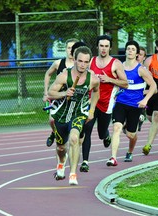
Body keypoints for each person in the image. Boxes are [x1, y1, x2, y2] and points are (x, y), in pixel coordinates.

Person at [48, 46, 100, 185]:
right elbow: (50, 93)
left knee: (74, 139)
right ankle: (61, 162)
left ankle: (72, 174)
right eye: (80, 61)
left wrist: (91, 110)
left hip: (79, 113)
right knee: (61, 147)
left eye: (86, 61)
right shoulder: (64, 76)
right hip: (61, 114)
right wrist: (64, 93)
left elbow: (96, 92)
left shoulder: (93, 79)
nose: (83, 64)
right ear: (75, 60)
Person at [80, 35, 128, 172]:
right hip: (91, 102)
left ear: (110, 47)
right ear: (97, 46)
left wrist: (109, 79)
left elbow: (125, 84)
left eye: (106, 46)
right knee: (87, 129)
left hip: (106, 104)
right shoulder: (91, 61)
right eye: (101, 46)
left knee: (101, 133)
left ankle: (105, 135)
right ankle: (85, 162)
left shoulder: (115, 63)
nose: (104, 49)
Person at [106, 40, 157, 166]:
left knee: (131, 134)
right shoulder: (119, 67)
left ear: (137, 53)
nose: (130, 51)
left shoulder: (141, 70)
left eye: (133, 49)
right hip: (120, 103)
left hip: (135, 105)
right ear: (126, 51)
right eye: (128, 48)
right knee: (116, 128)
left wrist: (145, 100)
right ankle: (113, 157)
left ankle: (130, 151)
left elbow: (154, 86)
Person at [43, 38, 78, 147]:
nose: (71, 50)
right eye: (68, 48)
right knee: (52, 120)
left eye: (73, 48)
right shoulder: (58, 63)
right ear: (65, 49)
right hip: (58, 97)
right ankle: (54, 133)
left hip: (73, 99)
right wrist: (46, 92)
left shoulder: (80, 65)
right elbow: (48, 74)